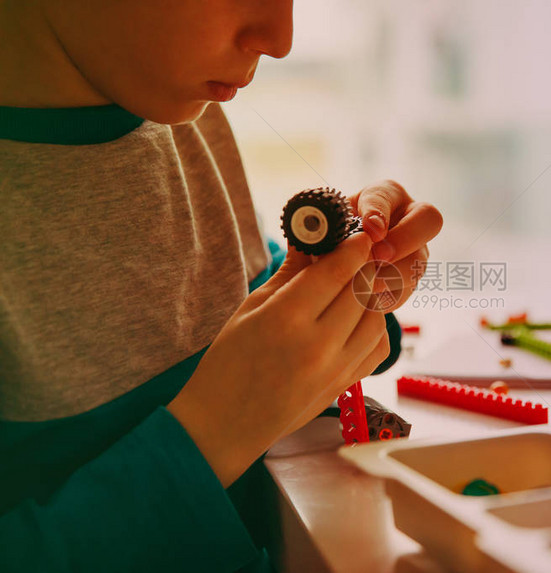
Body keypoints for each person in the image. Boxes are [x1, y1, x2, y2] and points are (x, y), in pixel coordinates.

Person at [0, 1, 443, 571]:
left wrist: (353, 286)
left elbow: (234, 297)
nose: (278, 38)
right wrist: (211, 438)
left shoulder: (179, 110)